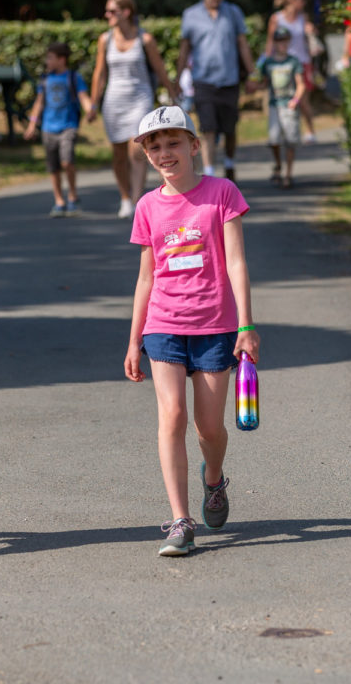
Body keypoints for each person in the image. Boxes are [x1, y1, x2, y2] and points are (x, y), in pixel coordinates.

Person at [123, 105, 260, 557]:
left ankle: (214, 479)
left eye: (173, 143)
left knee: (208, 427)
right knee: (172, 417)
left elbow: (237, 261)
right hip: (163, 325)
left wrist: (245, 325)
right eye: (155, 147)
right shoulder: (146, 206)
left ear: (194, 146)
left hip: (215, 326)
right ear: (146, 155)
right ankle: (180, 520)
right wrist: (134, 338)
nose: (165, 153)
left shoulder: (221, 193)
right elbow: (146, 277)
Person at [88, 0, 179, 218]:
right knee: (118, 153)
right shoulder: (105, 39)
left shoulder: (144, 39)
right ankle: (125, 198)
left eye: (112, 11)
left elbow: (159, 68)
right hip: (114, 100)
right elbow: (100, 73)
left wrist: (171, 91)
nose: (107, 15)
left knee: (136, 148)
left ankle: (138, 200)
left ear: (126, 12)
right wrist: (93, 103)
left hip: (140, 98)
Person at [177, 0, 258, 181]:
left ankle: (230, 163)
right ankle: (210, 173)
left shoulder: (233, 12)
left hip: (229, 80)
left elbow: (243, 45)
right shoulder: (191, 15)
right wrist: (177, 79)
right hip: (203, 81)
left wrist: (252, 74)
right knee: (208, 128)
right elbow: (185, 48)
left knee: (230, 128)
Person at [24, 42, 92, 217]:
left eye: (50, 58)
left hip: (68, 126)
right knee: (53, 167)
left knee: (67, 161)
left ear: (62, 59)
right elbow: (39, 102)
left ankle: (73, 195)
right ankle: (59, 200)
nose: (47, 61)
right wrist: (32, 124)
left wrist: (90, 109)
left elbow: (82, 96)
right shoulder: (45, 79)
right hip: (48, 128)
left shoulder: (73, 77)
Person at [265, 0, 320, 142]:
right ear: (291, 0)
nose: (303, 1)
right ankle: (285, 130)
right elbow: (270, 42)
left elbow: (309, 41)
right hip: (282, 64)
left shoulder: (303, 17)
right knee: (282, 97)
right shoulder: (277, 19)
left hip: (302, 62)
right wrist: (266, 62)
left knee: (303, 99)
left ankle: (309, 130)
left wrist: (311, 31)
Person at [257, 26, 306, 189]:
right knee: (274, 139)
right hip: (274, 105)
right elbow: (263, 82)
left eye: (284, 41)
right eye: (279, 41)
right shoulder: (269, 62)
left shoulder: (293, 61)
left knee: (290, 140)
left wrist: (295, 100)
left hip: (288, 104)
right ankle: (278, 164)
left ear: (288, 42)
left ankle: (288, 174)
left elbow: (301, 84)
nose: (282, 44)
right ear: (275, 43)